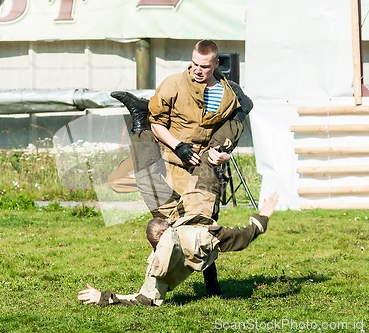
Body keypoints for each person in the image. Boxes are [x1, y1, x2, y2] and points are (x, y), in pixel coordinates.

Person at [110, 40, 253, 296]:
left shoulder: (228, 93)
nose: (198, 70)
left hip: (203, 167)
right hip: (172, 160)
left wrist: (223, 154)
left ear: (216, 64)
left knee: (202, 226)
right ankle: (138, 118)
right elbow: (159, 125)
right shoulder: (174, 84)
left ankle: (211, 285)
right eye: (195, 64)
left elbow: (230, 129)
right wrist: (178, 146)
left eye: (205, 66)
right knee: (163, 217)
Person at [77, 192, 278, 306]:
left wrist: (103, 297)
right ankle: (213, 288)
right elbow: (242, 237)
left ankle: (213, 287)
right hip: (201, 236)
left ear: (150, 245)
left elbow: (144, 300)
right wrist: (264, 215)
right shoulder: (199, 235)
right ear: (170, 225)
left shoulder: (157, 268)